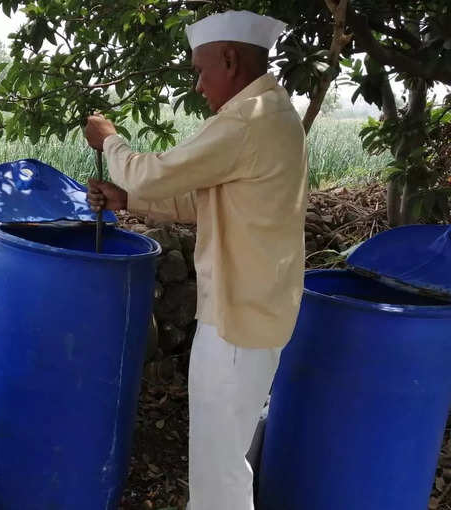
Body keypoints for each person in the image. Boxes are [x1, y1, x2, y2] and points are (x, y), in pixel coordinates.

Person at [84, 10, 308, 510]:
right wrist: (126, 200)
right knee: (226, 449)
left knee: (219, 461)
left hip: (236, 320)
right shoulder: (273, 114)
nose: (199, 84)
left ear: (230, 59)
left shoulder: (247, 123)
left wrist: (109, 140)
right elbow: (209, 200)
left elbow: (153, 174)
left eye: (200, 71)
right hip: (256, 312)